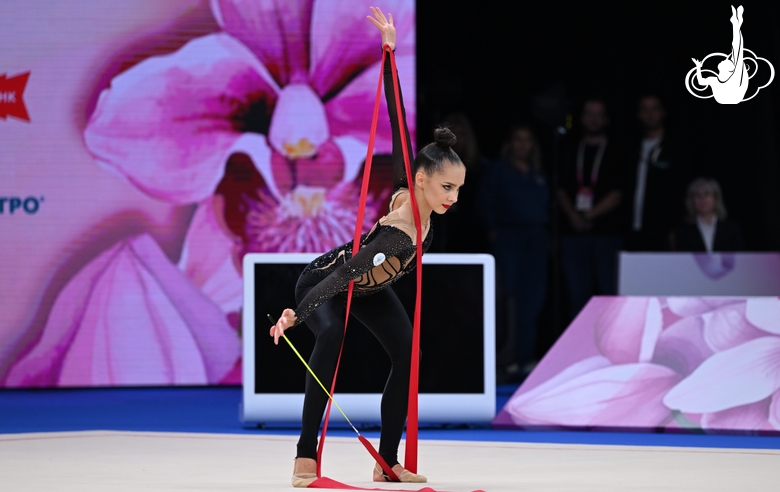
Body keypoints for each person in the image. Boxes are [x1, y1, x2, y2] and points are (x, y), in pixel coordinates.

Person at [269, 7, 465, 487]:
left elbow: (396, 120)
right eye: (446, 189)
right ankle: (304, 455)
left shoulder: (407, 186)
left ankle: (387, 463)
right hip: (324, 280)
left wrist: (390, 53)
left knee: (406, 353)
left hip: (367, 288)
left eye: (458, 189)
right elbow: (343, 275)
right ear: (423, 182)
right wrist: (297, 313)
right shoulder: (397, 232)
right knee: (331, 336)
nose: (452, 199)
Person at [479, 125, 549, 380]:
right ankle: (503, 359)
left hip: (536, 241)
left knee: (533, 299)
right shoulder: (498, 171)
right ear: (510, 143)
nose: (523, 145)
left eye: (528, 140)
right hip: (508, 240)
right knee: (507, 299)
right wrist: (493, 231)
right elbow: (485, 203)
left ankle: (525, 357)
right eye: (518, 140)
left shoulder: (538, 173)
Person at [558, 98, 625, 320]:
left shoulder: (617, 150)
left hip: (607, 233)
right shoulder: (569, 148)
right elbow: (560, 188)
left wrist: (589, 215)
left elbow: (618, 192)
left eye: (599, 114)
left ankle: (612, 347)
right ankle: (578, 349)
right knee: (577, 296)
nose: (594, 119)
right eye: (589, 113)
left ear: (606, 119)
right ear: (581, 117)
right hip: (574, 235)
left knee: (609, 295)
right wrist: (573, 216)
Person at [624, 94, 690, 251]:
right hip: (632, 229)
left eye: (655, 109)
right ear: (639, 114)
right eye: (645, 110)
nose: (650, 114)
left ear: (663, 112)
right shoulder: (630, 148)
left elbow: (681, 189)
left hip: (663, 231)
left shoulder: (675, 148)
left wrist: (676, 228)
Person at [692, 6, 748, 104]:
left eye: (727, 61)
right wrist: (698, 67)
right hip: (730, 98)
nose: (725, 59)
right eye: (727, 60)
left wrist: (698, 67)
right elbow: (700, 82)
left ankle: (736, 23)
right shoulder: (715, 80)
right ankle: (736, 24)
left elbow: (737, 48)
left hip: (733, 96)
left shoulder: (733, 77)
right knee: (737, 51)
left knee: (737, 50)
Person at [673, 178, 744, 252]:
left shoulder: (731, 228)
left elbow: (740, 256)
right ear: (692, 201)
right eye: (698, 195)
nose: (702, 199)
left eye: (707, 194)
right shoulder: (683, 231)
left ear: (716, 198)